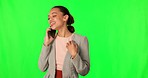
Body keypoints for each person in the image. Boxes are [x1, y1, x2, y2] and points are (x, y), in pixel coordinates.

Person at [38, 6, 90, 78]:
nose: (50, 20)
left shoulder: (81, 40)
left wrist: (75, 55)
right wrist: (46, 45)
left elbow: (84, 71)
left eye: (54, 16)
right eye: (49, 18)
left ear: (65, 18)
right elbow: (42, 67)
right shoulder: (51, 40)